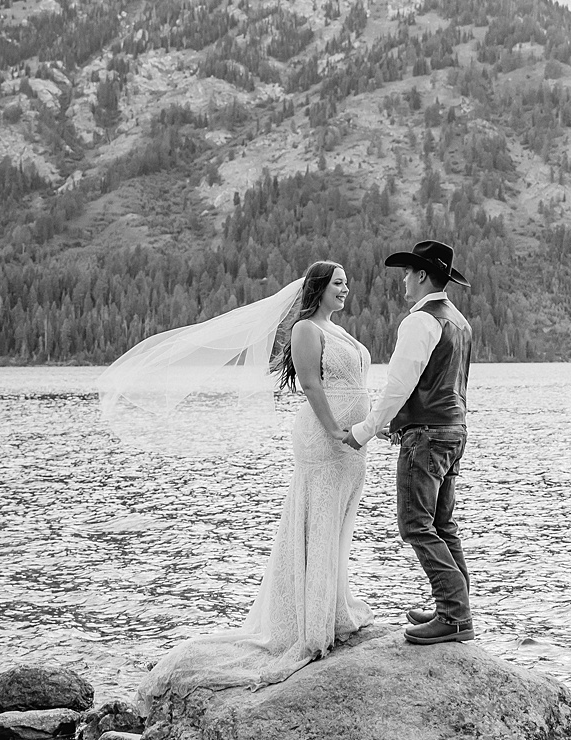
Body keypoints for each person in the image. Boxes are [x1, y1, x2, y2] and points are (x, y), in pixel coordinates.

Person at [104, 260, 374, 699]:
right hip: (327, 440)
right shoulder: (308, 329)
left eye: (347, 283)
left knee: (338, 525)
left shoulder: (339, 331)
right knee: (319, 522)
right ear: (319, 288)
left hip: (352, 444)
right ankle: (311, 623)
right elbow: (310, 384)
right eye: (338, 283)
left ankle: (333, 608)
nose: (346, 289)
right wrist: (334, 430)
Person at [342, 239, 475, 645]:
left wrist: (364, 430)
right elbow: (444, 384)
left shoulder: (420, 321)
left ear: (421, 275)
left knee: (416, 525)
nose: (403, 280)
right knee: (442, 524)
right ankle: (453, 608)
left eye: (407, 273)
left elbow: (401, 385)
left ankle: (454, 616)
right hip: (454, 431)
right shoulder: (459, 321)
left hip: (428, 436)